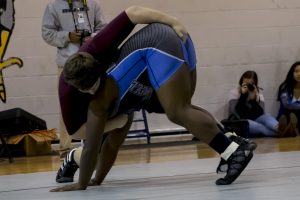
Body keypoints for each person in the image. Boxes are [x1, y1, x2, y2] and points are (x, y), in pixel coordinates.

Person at [50, 6, 256, 192]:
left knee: (177, 111)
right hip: (174, 39)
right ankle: (232, 140)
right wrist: (97, 180)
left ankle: (233, 152)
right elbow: (110, 148)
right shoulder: (110, 94)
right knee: (183, 107)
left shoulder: (97, 104)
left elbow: (92, 149)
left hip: (159, 43)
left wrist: (82, 184)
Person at [41, 0, 107, 158]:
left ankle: (97, 145)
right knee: (66, 107)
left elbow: (104, 28)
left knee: (97, 103)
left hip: (91, 62)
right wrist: (68, 36)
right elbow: (46, 33)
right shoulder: (53, 6)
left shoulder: (93, 3)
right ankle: (64, 149)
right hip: (67, 64)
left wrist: (92, 37)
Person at [227, 70, 289, 137]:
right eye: (245, 84)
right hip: (240, 123)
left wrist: (253, 100)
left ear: (255, 84)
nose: (247, 86)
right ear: (241, 82)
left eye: (250, 84)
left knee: (267, 116)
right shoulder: (234, 93)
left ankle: (279, 128)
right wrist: (243, 96)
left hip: (255, 120)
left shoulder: (258, 95)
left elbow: (260, 114)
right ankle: (287, 133)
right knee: (259, 126)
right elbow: (236, 113)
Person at [276, 61, 300, 137]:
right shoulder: (284, 88)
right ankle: (289, 127)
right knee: (290, 114)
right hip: (286, 115)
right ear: (292, 73)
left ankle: (289, 130)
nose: (299, 74)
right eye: (296, 71)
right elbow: (287, 104)